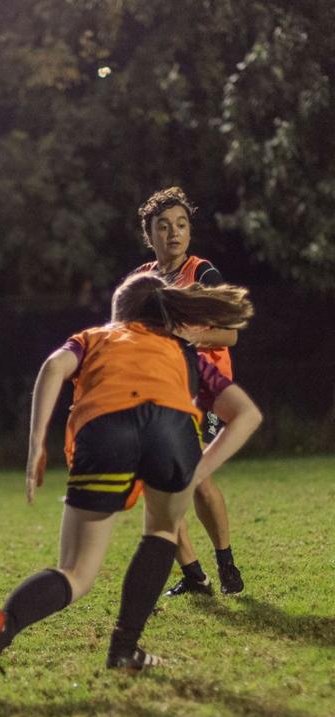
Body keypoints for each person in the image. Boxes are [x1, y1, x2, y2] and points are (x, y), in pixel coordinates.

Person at [0, 272, 261, 699]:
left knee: (76, 572)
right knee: (163, 531)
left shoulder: (96, 336)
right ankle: (124, 649)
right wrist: (199, 472)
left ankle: (2, 627)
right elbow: (246, 415)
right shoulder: (183, 352)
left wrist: (37, 443)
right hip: (172, 430)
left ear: (121, 313)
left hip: (106, 427)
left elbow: (53, 367)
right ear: (166, 316)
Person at [135, 187, 246, 597]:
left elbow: (230, 333)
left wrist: (181, 333)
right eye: (163, 227)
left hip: (204, 391)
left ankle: (226, 563)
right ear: (150, 235)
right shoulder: (142, 281)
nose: (174, 233)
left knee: (194, 480)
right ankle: (195, 576)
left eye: (181, 225)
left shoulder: (202, 274)